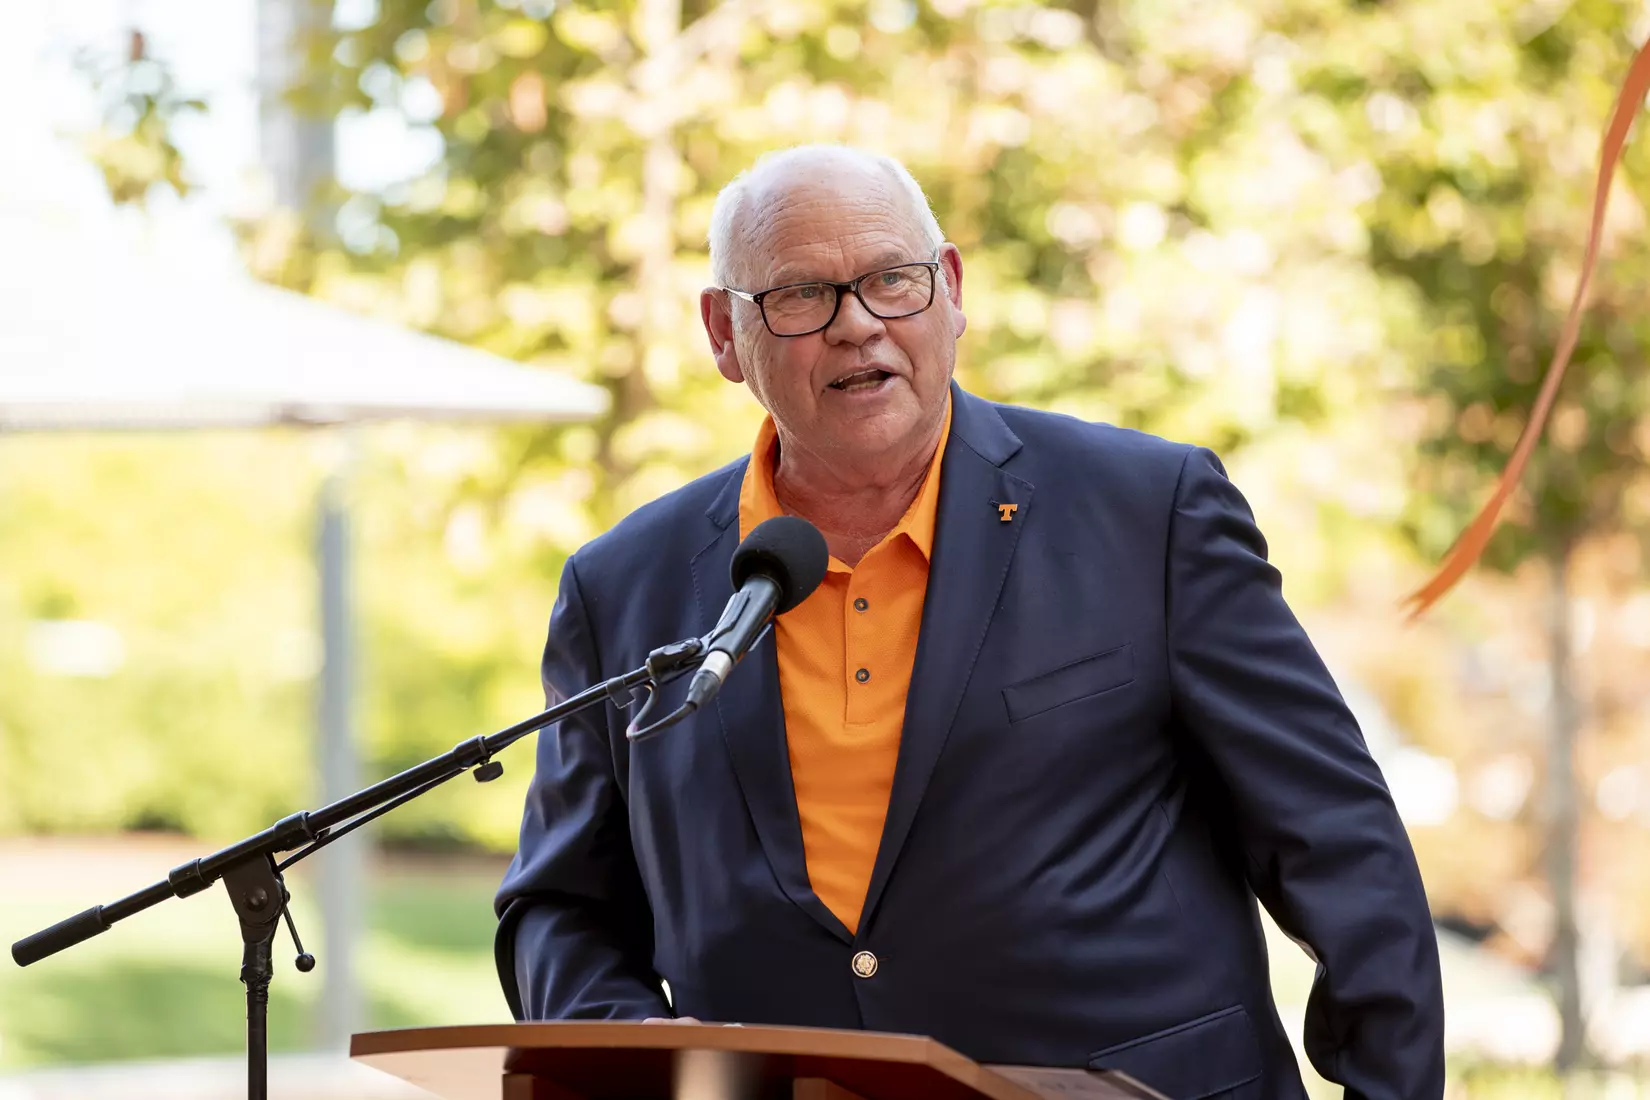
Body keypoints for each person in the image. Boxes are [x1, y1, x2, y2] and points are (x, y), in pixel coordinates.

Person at [494, 144, 1445, 1100]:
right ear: (724, 332)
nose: (856, 325)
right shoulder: (621, 585)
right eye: (799, 296)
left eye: (890, 280)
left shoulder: (1150, 512)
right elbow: (559, 906)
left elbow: (1337, 841)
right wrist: (633, 1052)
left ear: (950, 290)